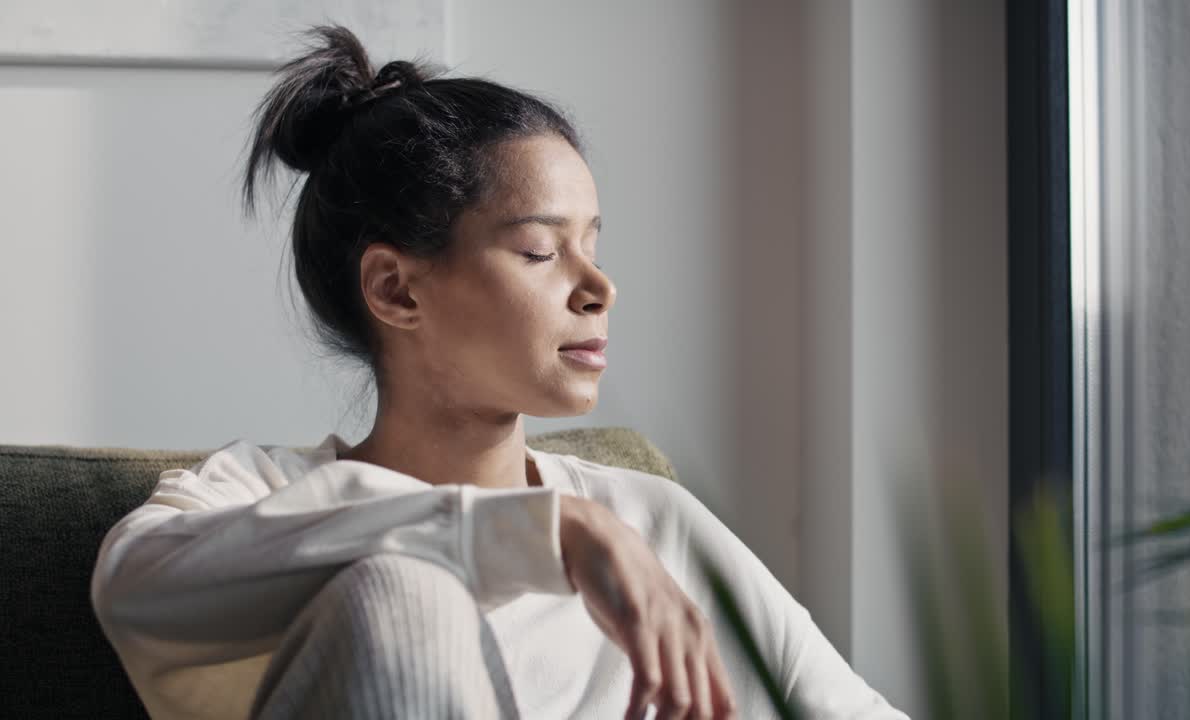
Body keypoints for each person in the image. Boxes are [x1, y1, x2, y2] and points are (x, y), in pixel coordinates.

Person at [89, 24, 910, 720]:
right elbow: (135, 593)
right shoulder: (252, 497)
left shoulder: (648, 522)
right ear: (395, 288)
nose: (598, 288)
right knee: (402, 594)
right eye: (540, 251)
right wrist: (536, 534)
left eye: (593, 244)